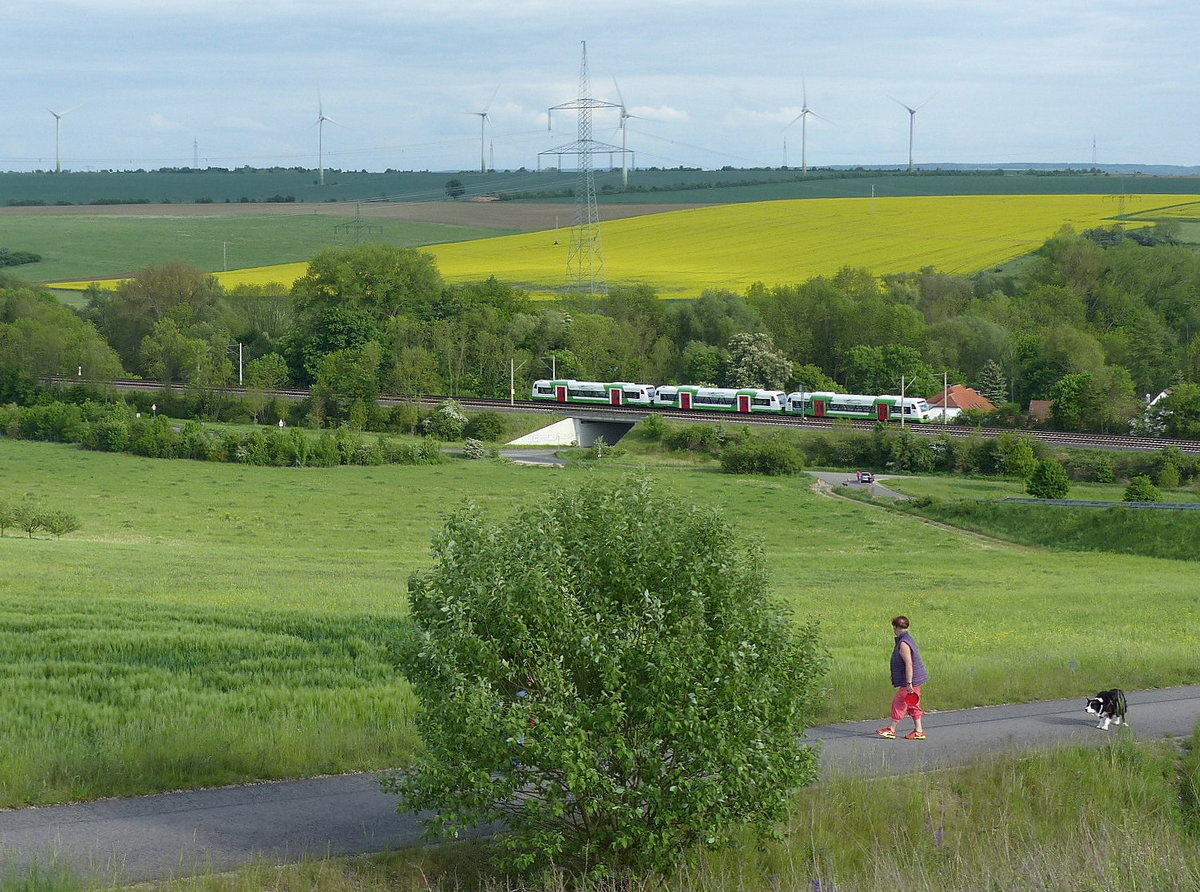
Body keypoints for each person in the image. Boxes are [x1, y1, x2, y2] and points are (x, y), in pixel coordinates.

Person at [876, 615, 928, 740]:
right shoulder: (908, 638)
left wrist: (909, 683)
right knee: (912, 704)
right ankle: (919, 731)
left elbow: (909, 664)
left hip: (910, 681)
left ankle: (891, 729)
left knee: (899, 703)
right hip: (915, 679)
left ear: (896, 627)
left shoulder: (904, 643)